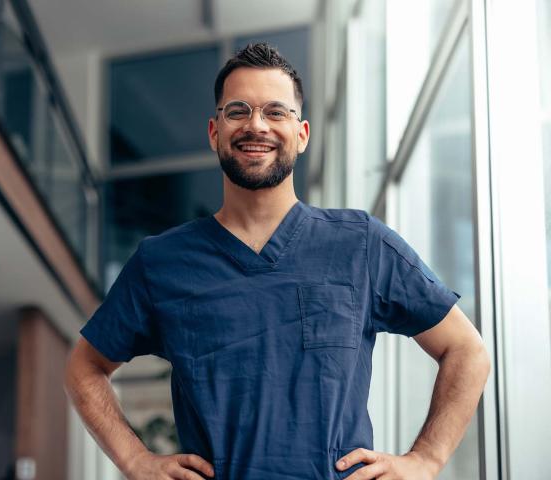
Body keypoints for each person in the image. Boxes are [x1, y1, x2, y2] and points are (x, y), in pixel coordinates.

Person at [64, 43, 490, 480]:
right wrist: (135, 460)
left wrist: (425, 460)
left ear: (302, 134)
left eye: (275, 111)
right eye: (238, 110)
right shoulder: (162, 262)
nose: (256, 125)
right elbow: (85, 367)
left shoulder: (361, 243)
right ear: (214, 132)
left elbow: (466, 350)